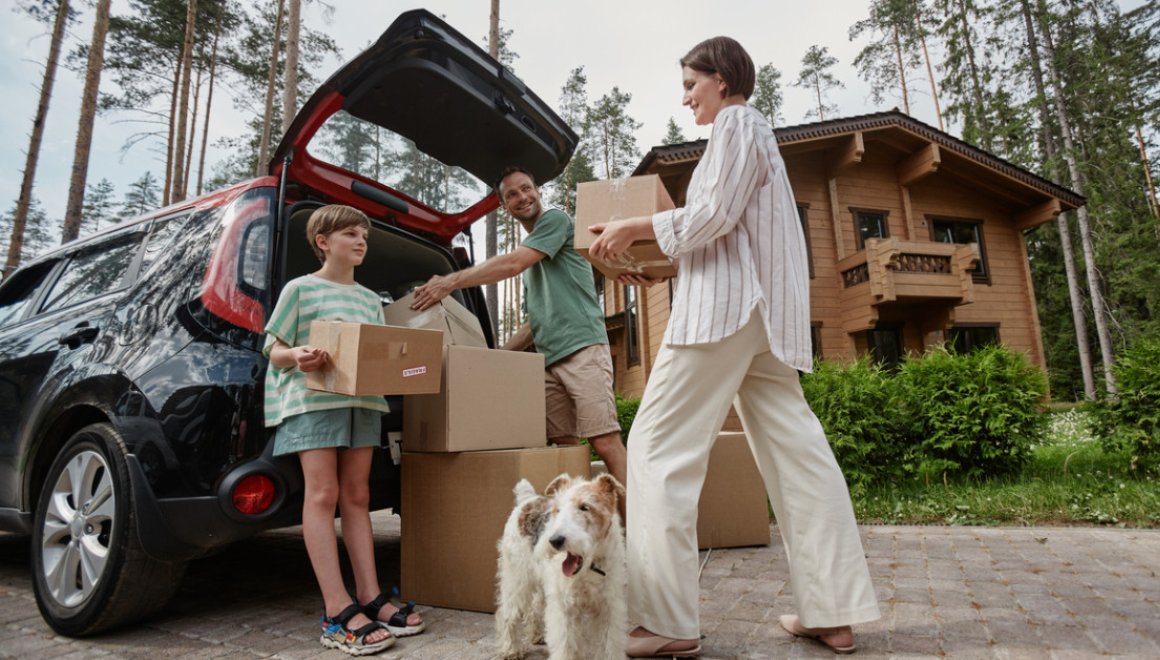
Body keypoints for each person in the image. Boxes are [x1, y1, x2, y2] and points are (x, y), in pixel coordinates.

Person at [588, 36, 881, 657]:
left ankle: (666, 620)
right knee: (798, 458)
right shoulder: (752, 136)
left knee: (655, 449)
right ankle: (832, 613)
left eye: (690, 84)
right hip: (762, 319)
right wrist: (658, 266)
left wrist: (633, 226)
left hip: (725, 313)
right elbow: (728, 231)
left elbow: (714, 214)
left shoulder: (737, 125)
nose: (685, 98)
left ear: (721, 78)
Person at [411, 167, 628, 515]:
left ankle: (637, 533)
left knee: (604, 442)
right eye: (512, 194)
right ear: (504, 205)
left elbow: (512, 264)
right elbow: (532, 325)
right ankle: (583, 530)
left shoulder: (556, 221)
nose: (522, 197)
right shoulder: (531, 265)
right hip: (549, 360)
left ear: (538, 190)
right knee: (566, 449)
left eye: (526, 188)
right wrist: (493, 359)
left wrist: (449, 282)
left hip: (583, 348)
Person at [264, 205, 425, 656]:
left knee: (357, 495)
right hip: (313, 401)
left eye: (364, 237)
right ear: (323, 242)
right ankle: (336, 609)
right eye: (351, 234)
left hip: (362, 402)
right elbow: (273, 349)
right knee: (323, 494)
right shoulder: (300, 289)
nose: (361, 243)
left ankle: (370, 596)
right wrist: (297, 354)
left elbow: (379, 353)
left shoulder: (370, 299)